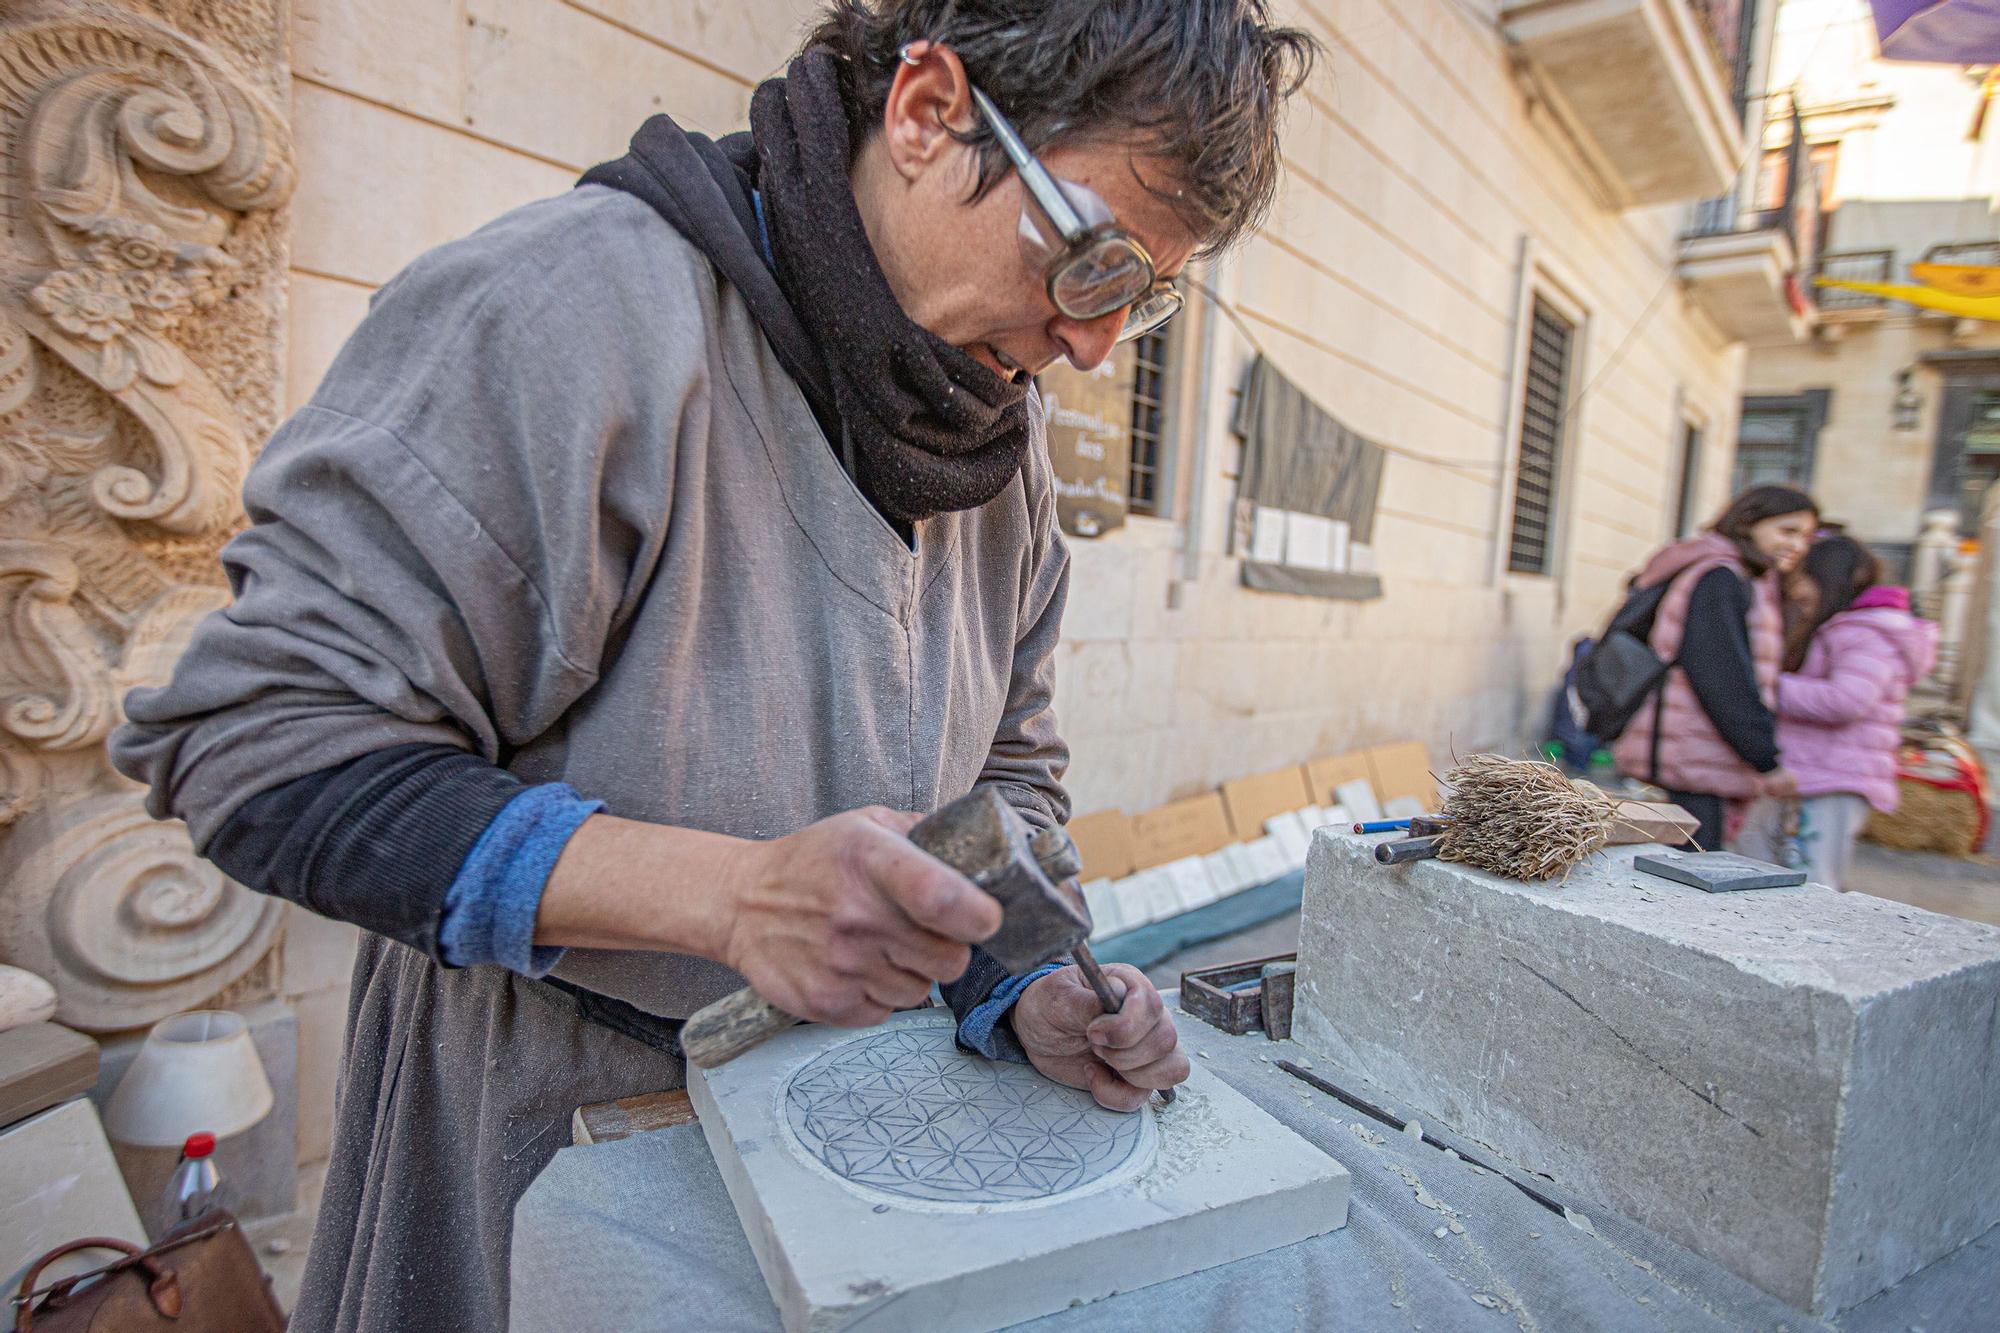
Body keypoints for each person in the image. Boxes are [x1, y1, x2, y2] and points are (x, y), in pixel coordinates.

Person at [105, 4, 1318, 1329]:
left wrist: (1024, 979)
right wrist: (731, 899)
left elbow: (1004, 772)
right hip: (540, 1141)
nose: (1090, 346)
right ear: (926, 111)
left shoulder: (1002, 454)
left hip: (847, 1140)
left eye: (1139, 299)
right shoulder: (574, 316)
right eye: (1088, 263)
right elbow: (252, 741)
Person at [1610, 486, 1819, 850]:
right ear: (1749, 523)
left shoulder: (1743, 577)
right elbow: (1722, 676)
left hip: (1698, 756)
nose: (1799, 545)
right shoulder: (1720, 578)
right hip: (1693, 757)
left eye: (1806, 537)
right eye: (1788, 531)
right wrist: (1764, 758)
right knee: (1687, 877)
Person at [1736, 538, 1937, 887]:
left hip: (1835, 778)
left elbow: (1846, 701)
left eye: (1802, 576)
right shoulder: (1853, 628)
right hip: (1814, 772)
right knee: (1762, 866)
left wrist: (1767, 686)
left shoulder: (1868, 633)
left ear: (1827, 578)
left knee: (1813, 882)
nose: (1795, 588)